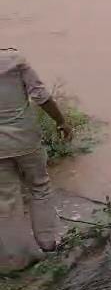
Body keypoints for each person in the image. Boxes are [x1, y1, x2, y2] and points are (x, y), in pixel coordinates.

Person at [0, 48, 72, 273]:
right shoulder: (15, 61)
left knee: (7, 201)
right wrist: (61, 121)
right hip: (25, 140)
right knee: (39, 187)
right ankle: (48, 244)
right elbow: (41, 95)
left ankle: (15, 260)